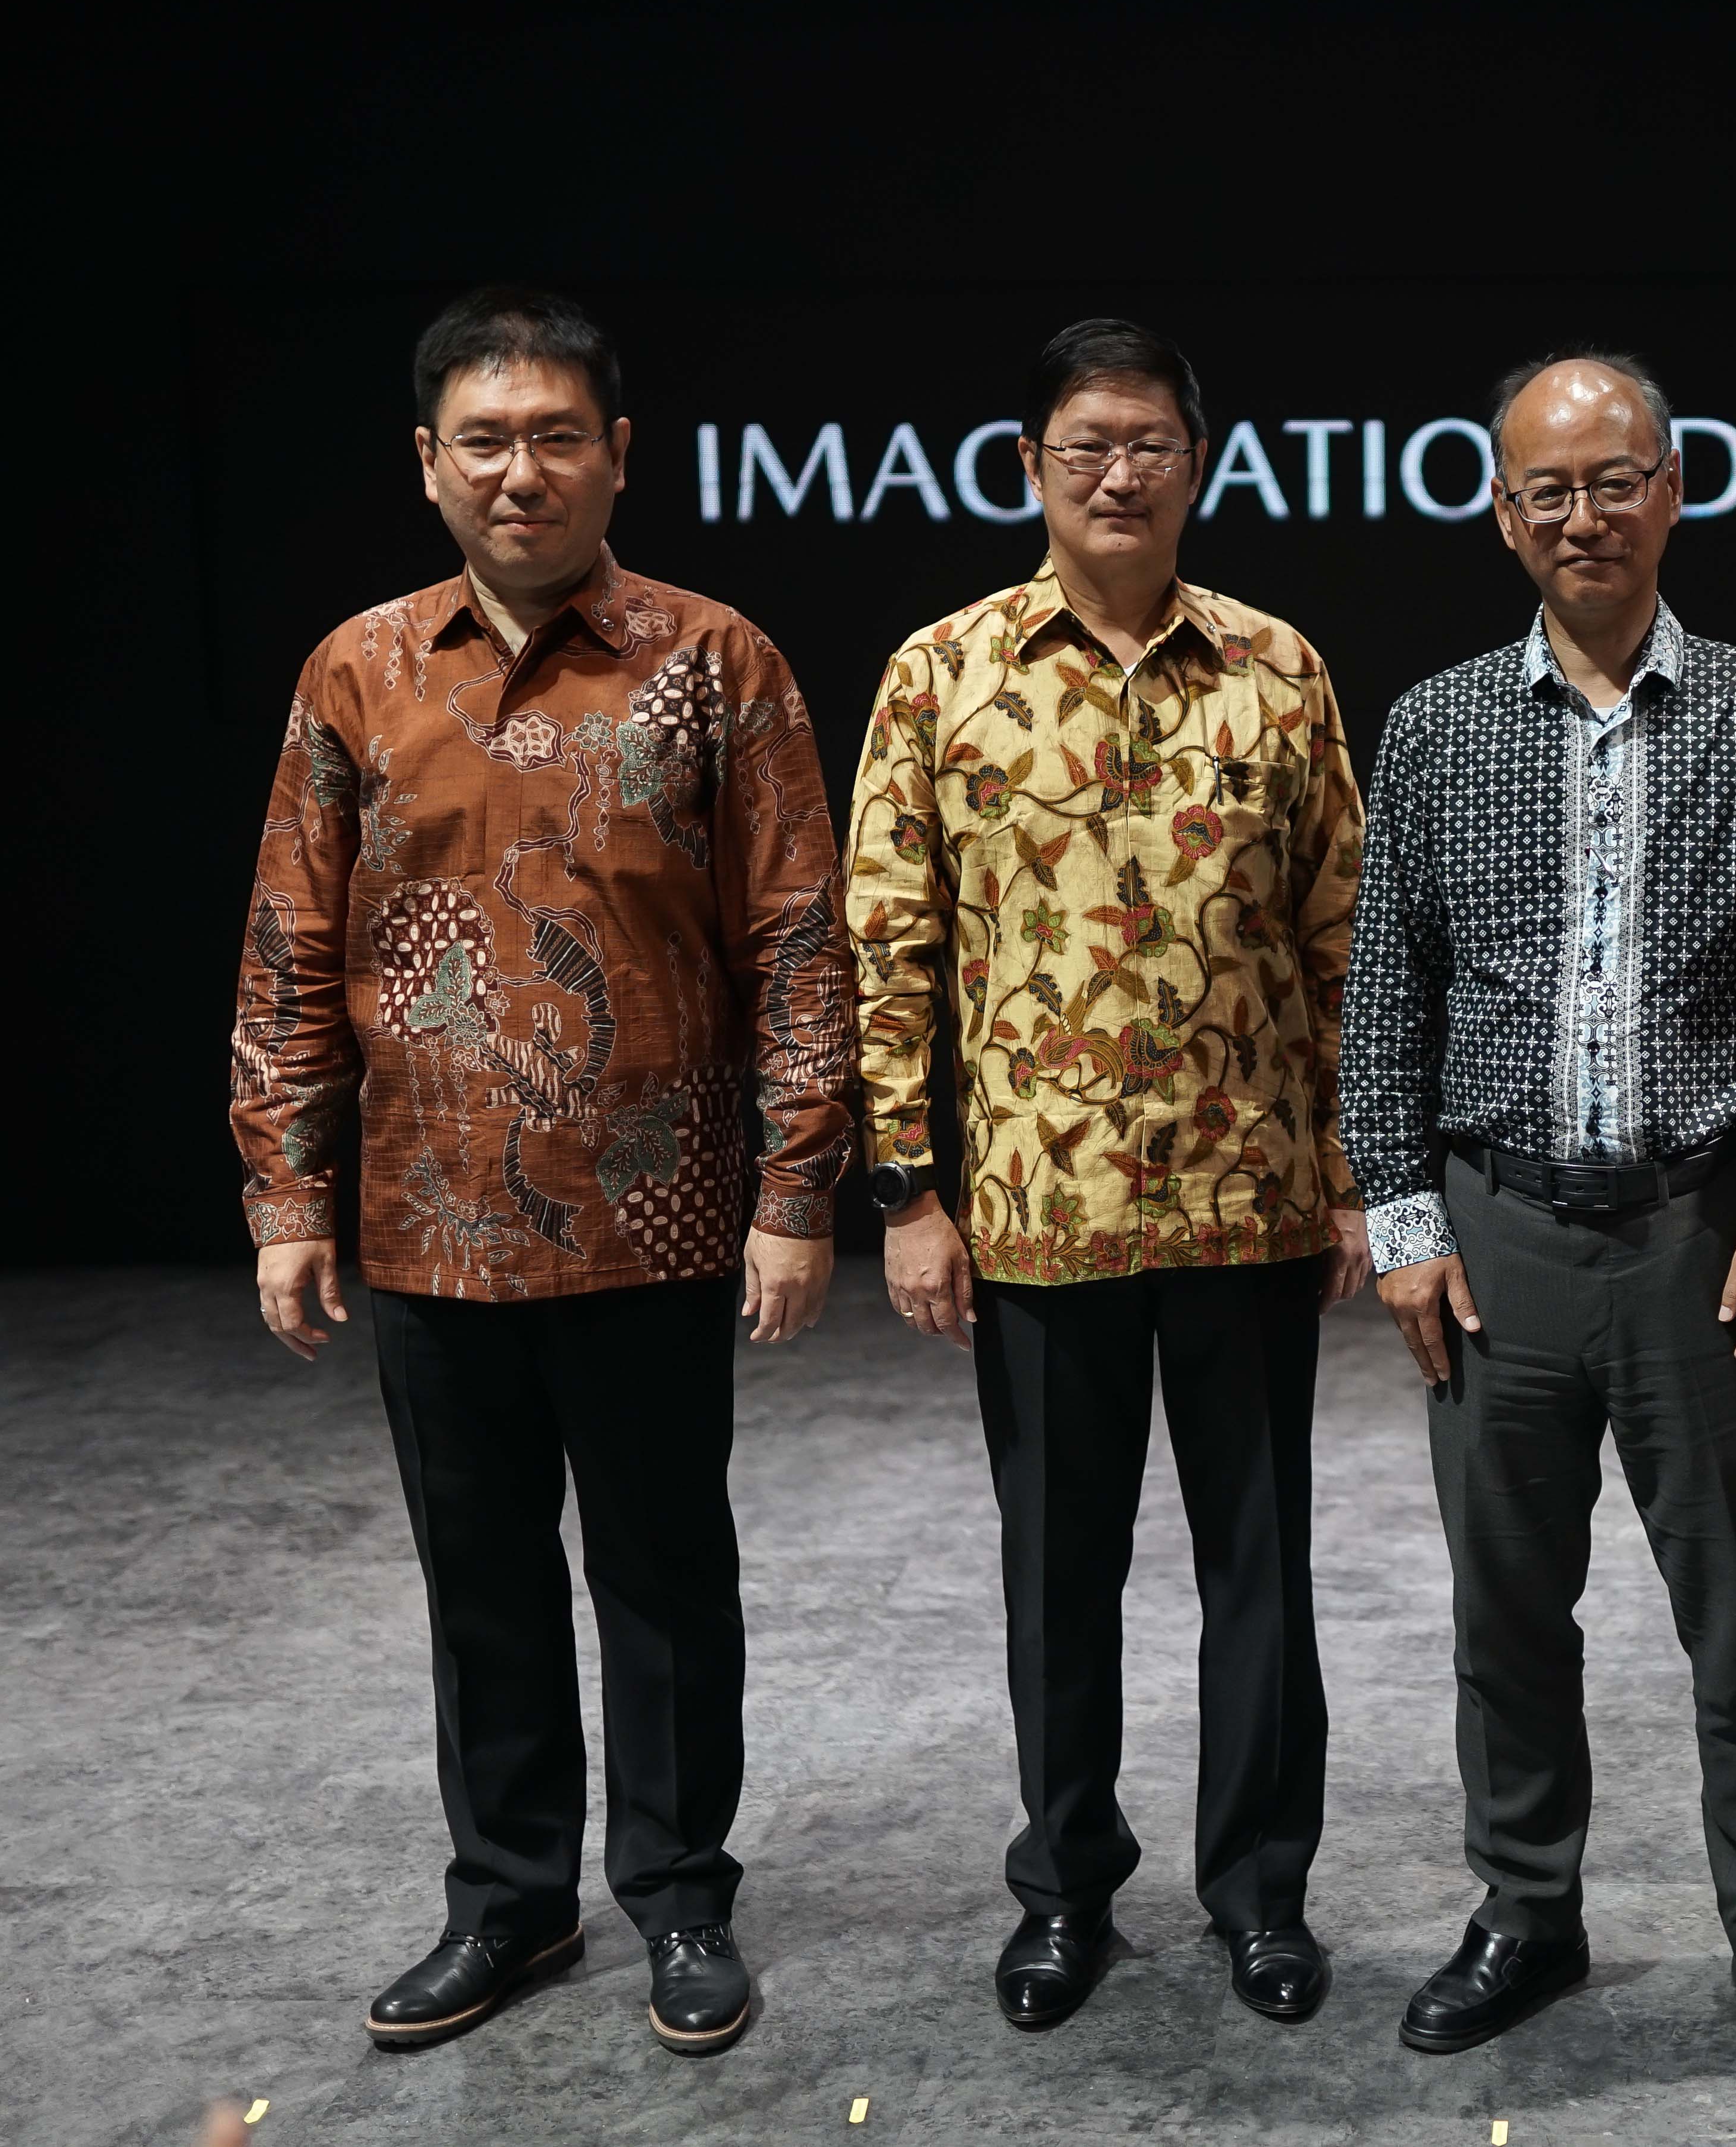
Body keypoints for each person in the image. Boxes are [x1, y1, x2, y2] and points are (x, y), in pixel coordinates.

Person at [231, 287, 854, 2056]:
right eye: (485, 441)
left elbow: (798, 941)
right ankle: (508, 1906)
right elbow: (291, 944)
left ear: (619, 454)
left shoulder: (715, 660)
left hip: (656, 1215)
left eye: (556, 436)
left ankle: (677, 1897)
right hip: (430, 1222)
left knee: (665, 1581)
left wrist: (794, 1194)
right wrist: (289, 1190)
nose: (523, 472)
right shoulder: (357, 669)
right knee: (480, 1585)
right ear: (428, 465)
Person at [1339, 351, 1736, 2082]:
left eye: (1611, 478)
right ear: (1502, 515)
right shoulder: (1430, 724)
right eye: (1544, 489)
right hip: (1496, 1237)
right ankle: (1523, 1909)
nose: (1581, 513)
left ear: (1670, 490)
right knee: (1506, 1608)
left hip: (1697, 1235)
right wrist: (1401, 1218)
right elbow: (1386, 995)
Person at [848, 319, 1371, 2030]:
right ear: (1029, 472)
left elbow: (1343, 945)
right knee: (1056, 1578)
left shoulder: (1276, 670)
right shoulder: (945, 672)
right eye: (1085, 446)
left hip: (1250, 1202)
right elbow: (888, 947)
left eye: (1148, 442)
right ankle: (1064, 1890)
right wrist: (906, 1191)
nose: (1118, 473)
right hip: (1034, 1216)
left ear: (1197, 466)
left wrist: (1363, 1179)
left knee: (1261, 1573)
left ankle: (1259, 1895)